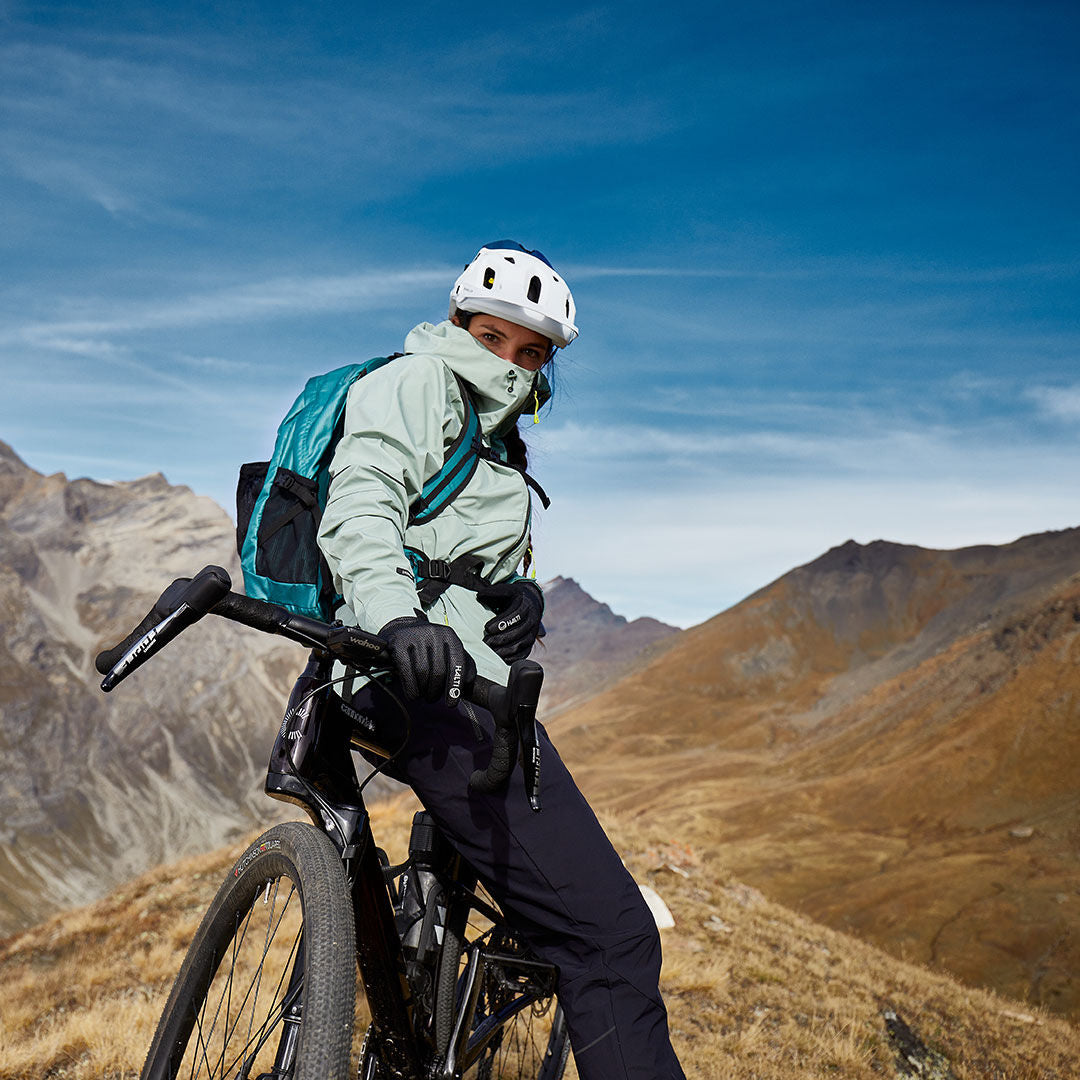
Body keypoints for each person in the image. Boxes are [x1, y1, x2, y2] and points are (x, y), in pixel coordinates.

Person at [317, 241, 686, 1080]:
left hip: (461, 690)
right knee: (614, 939)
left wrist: (520, 598)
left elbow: (458, 552)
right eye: (493, 337)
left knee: (535, 902)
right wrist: (398, 618)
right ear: (457, 324)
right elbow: (362, 503)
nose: (511, 363)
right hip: (421, 689)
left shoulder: (498, 441)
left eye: (532, 353)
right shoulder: (417, 384)